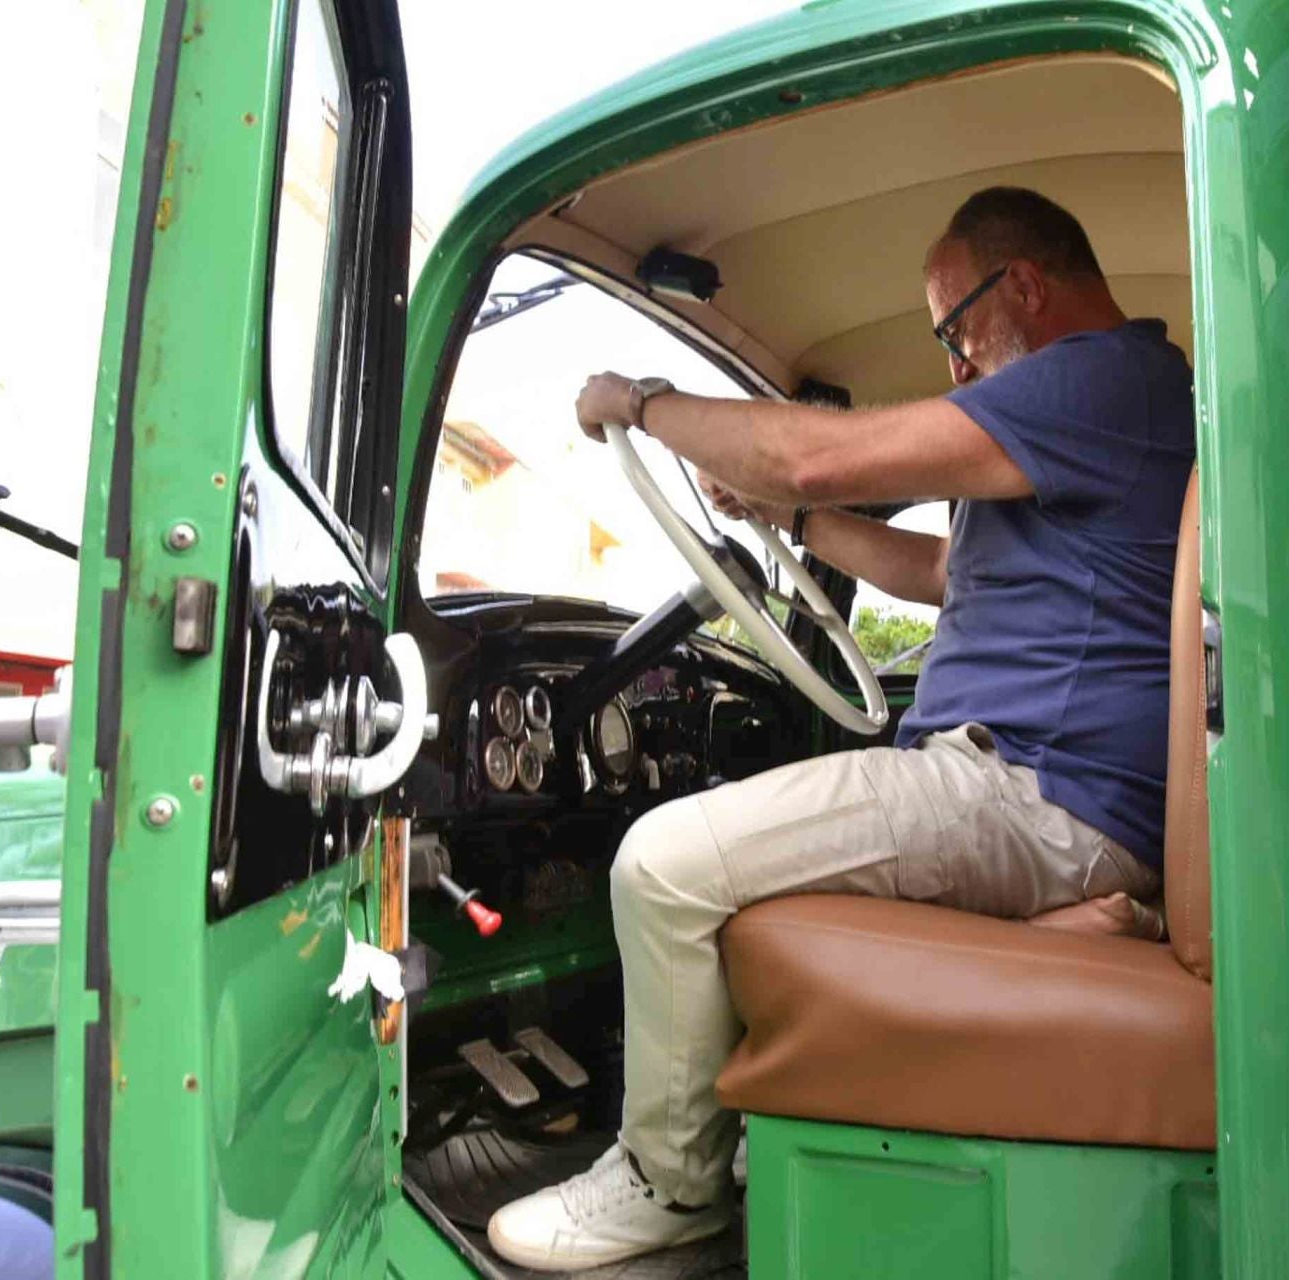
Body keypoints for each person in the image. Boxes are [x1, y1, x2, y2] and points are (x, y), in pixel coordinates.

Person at [488, 187, 1196, 1271]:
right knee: (732, 866)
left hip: (1032, 791)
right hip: (1030, 789)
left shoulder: (1100, 377)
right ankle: (718, 1139)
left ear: (1028, 287)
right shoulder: (1089, 421)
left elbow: (814, 452)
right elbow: (936, 573)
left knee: (663, 862)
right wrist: (795, 526)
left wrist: (644, 401)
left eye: (955, 330)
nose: (955, 362)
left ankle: (666, 1185)